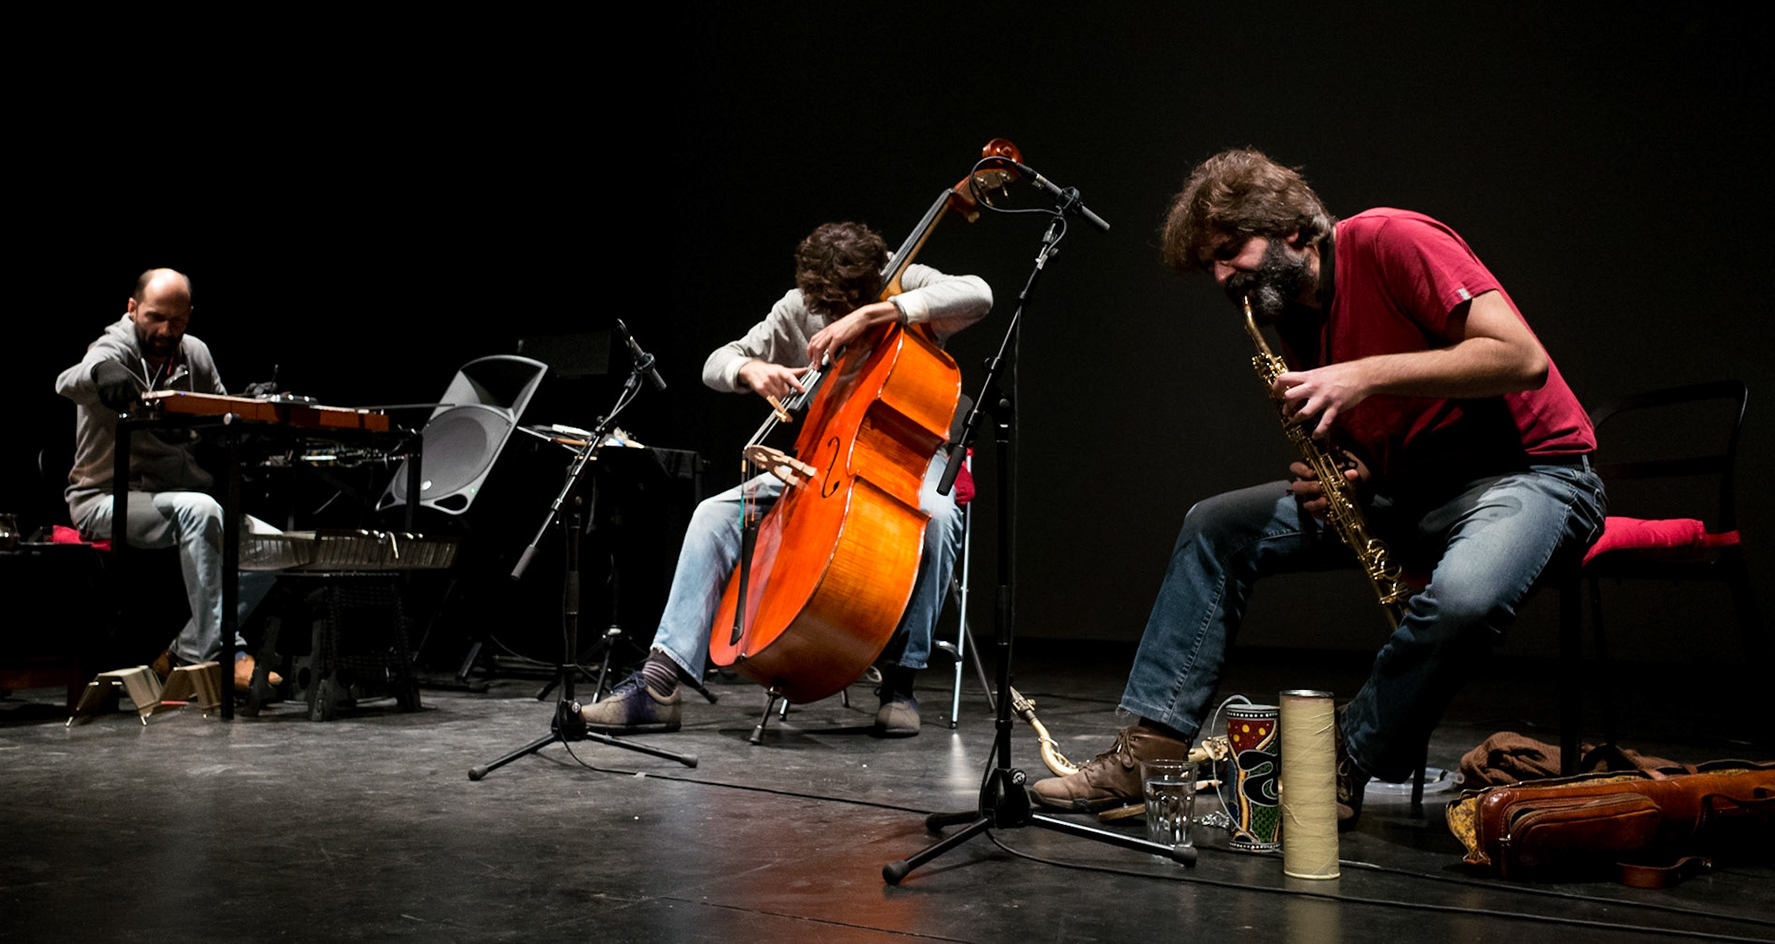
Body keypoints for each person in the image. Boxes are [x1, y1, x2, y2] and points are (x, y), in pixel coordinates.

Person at [1031, 150, 1604, 825]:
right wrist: (1353, 473)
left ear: (1292, 229)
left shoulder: (1392, 240)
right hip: (1413, 494)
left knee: (1462, 600)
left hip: (1534, 474)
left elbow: (1521, 358)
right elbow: (1400, 425)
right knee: (1215, 527)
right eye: (1211, 263)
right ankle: (1151, 752)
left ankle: (1340, 759)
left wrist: (1359, 374)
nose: (1222, 276)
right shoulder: (1288, 311)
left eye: (1230, 251)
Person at [581, 222, 992, 737]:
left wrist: (877, 312)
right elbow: (717, 362)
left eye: (849, 307)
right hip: (827, 463)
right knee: (714, 516)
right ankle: (660, 684)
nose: (837, 318)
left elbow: (979, 294)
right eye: (831, 311)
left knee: (938, 517)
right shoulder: (798, 307)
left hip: (908, 457)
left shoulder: (904, 277)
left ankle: (900, 680)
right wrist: (749, 371)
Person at [55, 268, 278, 688]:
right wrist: (102, 373)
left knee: (274, 546)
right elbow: (69, 380)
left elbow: (217, 414)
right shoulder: (115, 345)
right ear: (132, 308)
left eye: (176, 320)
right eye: (155, 317)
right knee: (200, 509)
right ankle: (220, 656)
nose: (164, 330)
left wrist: (246, 409)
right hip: (105, 499)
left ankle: (186, 652)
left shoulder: (195, 354)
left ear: (189, 314)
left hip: (175, 496)